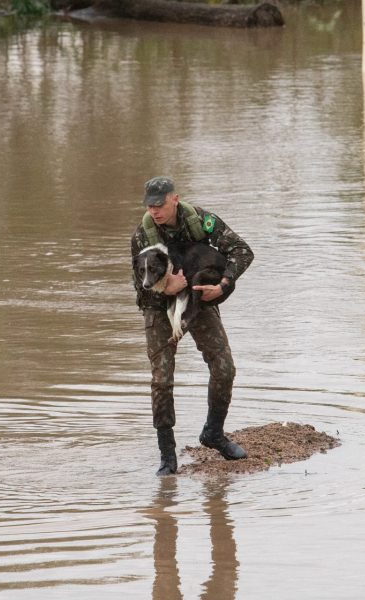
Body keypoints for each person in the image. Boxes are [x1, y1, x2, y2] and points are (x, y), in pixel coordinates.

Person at [131, 176, 254, 475]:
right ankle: (167, 455)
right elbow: (139, 285)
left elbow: (242, 251)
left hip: (199, 299)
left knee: (225, 367)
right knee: (161, 380)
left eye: (160, 205)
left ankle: (213, 433)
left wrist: (222, 286)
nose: (155, 211)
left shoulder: (201, 221)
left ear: (175, 199)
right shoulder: (142, 236)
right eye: (150, 206)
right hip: (158, 309)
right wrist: (165, 287)